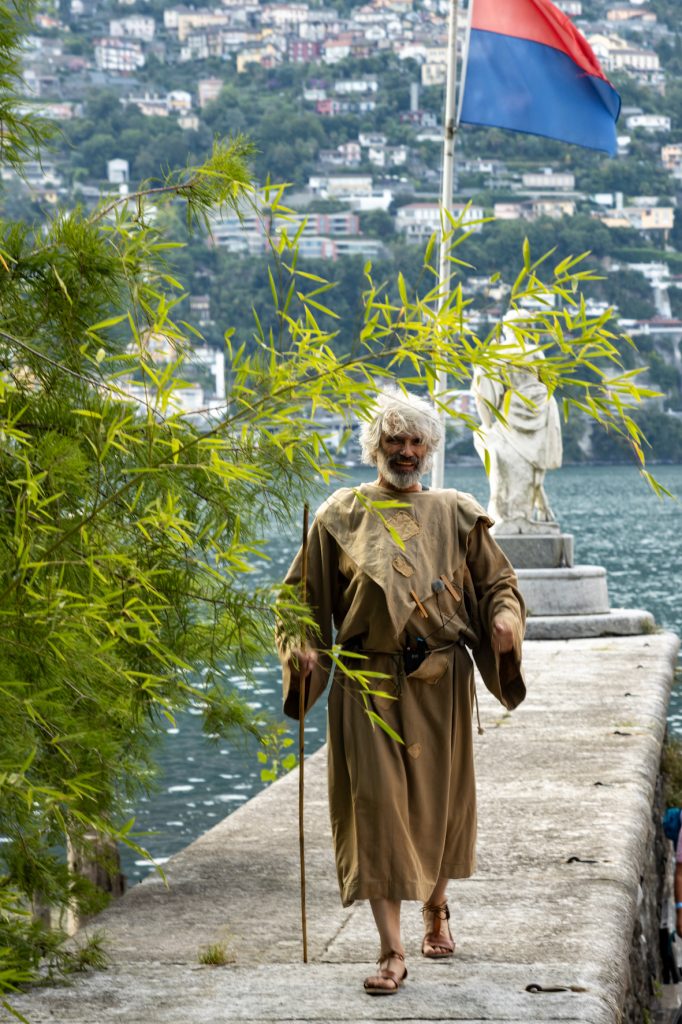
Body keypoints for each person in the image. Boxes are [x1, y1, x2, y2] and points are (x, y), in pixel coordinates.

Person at [277, 387, 526, 995]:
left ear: (430, 447)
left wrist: (504, 623)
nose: (407, 451)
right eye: (395, 440)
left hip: (440, 681)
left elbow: (501, 585)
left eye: (416, 441)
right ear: (375, 447)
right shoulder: (339, 515)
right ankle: (391, 951)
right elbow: (297, 604)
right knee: (377, 813)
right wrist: (301, 648)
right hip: (366, 686)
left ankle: (435, 905)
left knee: (438, 807)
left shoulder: (457, 512)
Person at [472, 311, 562, 533]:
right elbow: (549, 383)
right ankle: (532, 507)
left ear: (506, 328)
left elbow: (484, 396)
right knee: (531, 463)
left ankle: (509, 511)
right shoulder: (536, 352)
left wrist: (487, 425)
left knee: (505, 456)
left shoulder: (498, 354)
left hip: (511, 413)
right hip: (540, 411)